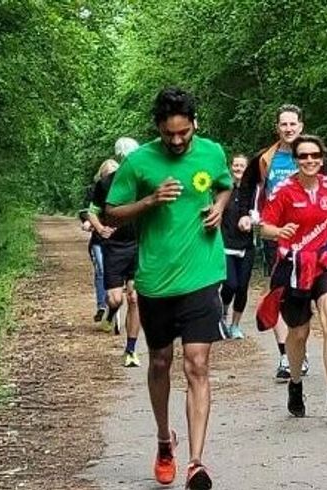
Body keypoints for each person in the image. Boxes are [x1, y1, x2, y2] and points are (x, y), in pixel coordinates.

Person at [105, 87, 232, 490]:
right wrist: (150, 201)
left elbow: (225, 185)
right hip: (157, 280)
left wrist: (220, 206)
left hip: (202, 274)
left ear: (194, 124)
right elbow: (112, 213)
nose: (177, 141)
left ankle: (196, 462)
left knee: (197, 364)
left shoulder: (212, 152)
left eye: (183, 133)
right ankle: (165, 440)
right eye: (168, 135)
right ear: (158, 129)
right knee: (160, 362)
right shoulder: (140, 162)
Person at [256, 134, 327, 416]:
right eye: (303, 156)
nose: (310, 161)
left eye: (315, 155)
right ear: (296, 160)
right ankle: (295, 382)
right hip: (295, 265)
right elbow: (263, 226)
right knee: (299, 332)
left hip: (326, 259)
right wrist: (278, 232)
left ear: (322, 157)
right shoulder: (284, 190)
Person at [239, 104, 310, 380]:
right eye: (284, 125)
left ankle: (298, 350)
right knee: (280, 293)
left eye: (293, 124)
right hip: (275, 233)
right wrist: (247, 214)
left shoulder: (311, 154)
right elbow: (246, 187)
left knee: (303, 297)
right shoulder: (265, 158)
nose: (289, 129)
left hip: (309, 235)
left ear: (301, 127)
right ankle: (285, 355)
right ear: (277, 128)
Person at [87, 143, 143, 368]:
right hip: (114, 247)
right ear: (121, 159)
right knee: (115, 298)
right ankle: (111, 314)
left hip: (139, 245)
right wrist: (100, 229)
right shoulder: (105, 184)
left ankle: (130, 350)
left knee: (134, 298)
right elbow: (92, 212)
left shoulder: (144, 182)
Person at [219, 154, 254, 339]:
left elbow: (260, 212)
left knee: (242, 287)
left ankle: (235, 325)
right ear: (231, 167)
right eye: (236, 165)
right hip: (226, 244)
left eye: (242, 165)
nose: (239, 168)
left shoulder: (252, 191)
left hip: (247, 246)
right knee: (230, 284)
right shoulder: (224, 189)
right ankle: (223, 313)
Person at [79, 163, 111, 325]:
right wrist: (88, 222)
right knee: (101, 270)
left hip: (121, 241)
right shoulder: (95, 190)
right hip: (99, 239)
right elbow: (88, 212)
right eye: (108, 174)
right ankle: (101, 306)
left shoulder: (126, 190)